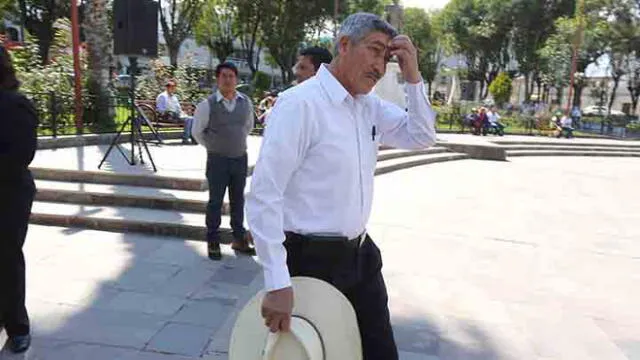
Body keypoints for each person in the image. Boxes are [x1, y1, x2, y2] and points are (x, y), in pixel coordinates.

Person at [246, 13, 437, 360]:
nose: (380, 66)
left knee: (379, 352)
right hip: (309, 261)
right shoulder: (300, 105)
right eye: (374, 50)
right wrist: (276, 281)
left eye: (386, 57)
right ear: (344, 45)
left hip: (361, 257)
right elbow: (264, 195)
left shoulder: (370, 107)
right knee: (319, 352)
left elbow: (422, 135)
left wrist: (412, 76)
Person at [192, 62, 255, 260]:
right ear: (218, 79)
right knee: (215, 202)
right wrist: (214, 146)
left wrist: (234, 142)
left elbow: (248, 127)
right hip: (217, 160)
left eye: (231, 76)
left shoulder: (246, 102)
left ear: (236, 79)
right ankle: (213, 240)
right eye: (224, 76)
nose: (228, 80)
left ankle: (238, 238)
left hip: (239, 159)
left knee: (238, 200)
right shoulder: (207, 105)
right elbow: (197, 132)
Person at [0, 45, 37, 354]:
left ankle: (17, 326)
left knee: (8, 256)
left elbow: (22, 153)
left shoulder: (16, 104)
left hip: (10, 193)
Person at [156, 80, 194, 144]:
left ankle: (191, 138)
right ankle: (186, 138)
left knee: (192, 119)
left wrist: (183, 113)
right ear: (167, 88)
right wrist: (167, 113)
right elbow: (160, 109)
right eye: (172, 87)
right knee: (189, 119)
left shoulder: (174, 97)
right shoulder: (162, 96)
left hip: (176, 116)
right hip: (167, 117)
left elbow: (178, 108)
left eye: (174, 87)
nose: (173, 89)